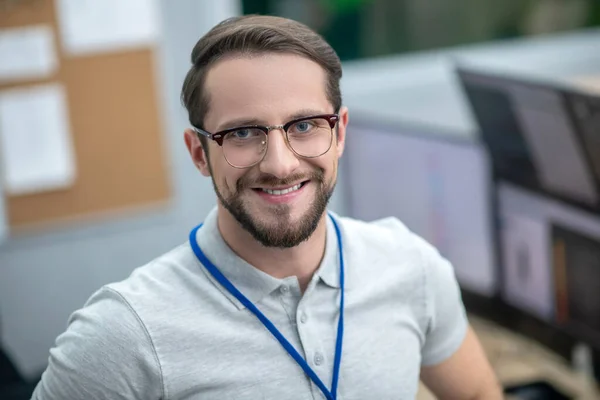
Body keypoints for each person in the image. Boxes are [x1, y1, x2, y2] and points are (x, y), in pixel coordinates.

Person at [31, 15, 502, 400]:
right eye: (241, 133)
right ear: (199, 154)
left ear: (338, 134)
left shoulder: (410, 269)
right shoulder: (124, 332)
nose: (279, 164)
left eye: (304, 126)